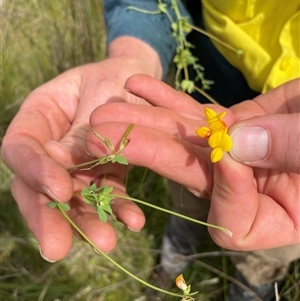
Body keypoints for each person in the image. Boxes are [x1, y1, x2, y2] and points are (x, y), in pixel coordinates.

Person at [1, 0, 299, 300]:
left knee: (270, 247)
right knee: (187, 197)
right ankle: (176, 255)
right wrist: (134, 53)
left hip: (292, 167)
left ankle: (251, 287)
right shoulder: (204, 127)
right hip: (204, 88)